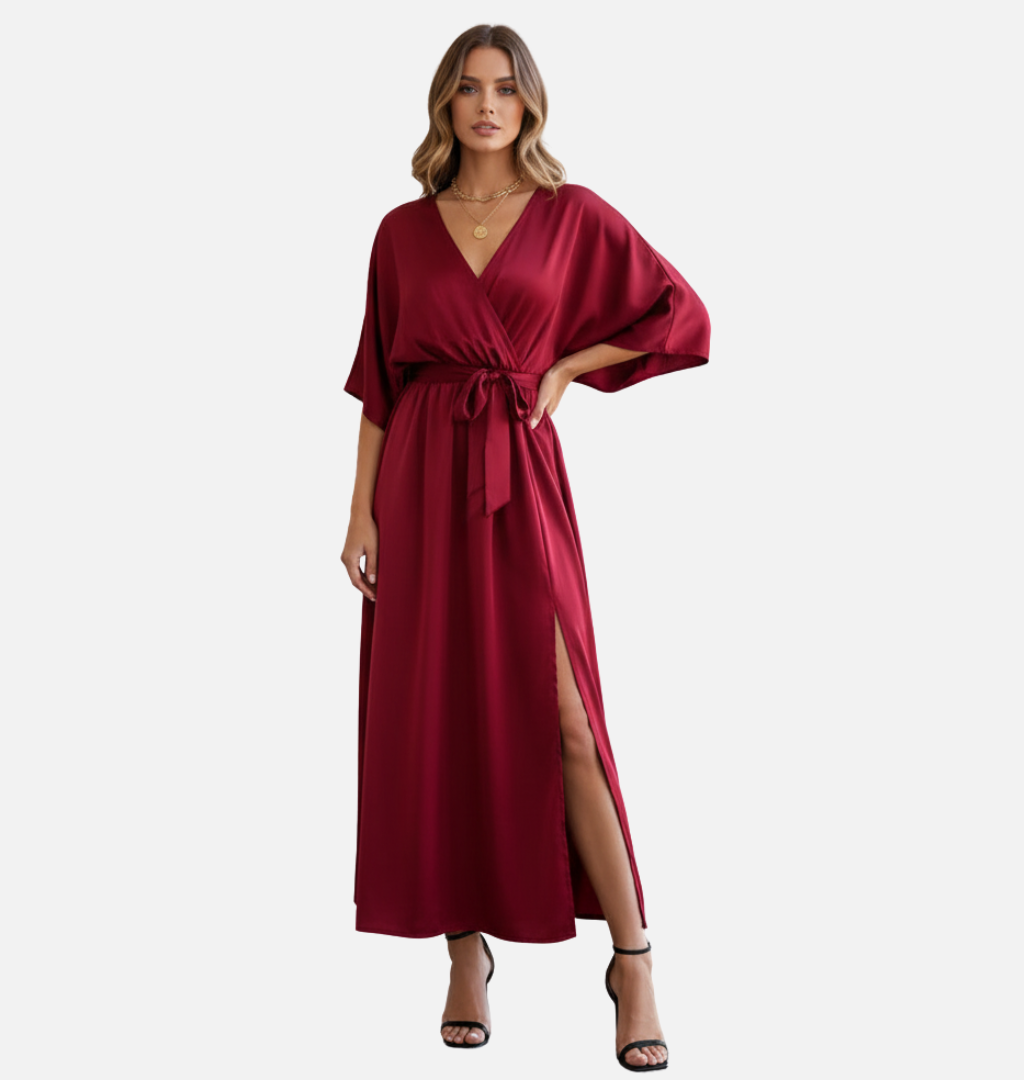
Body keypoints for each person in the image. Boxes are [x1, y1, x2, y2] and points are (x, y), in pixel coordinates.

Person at [340, 23, 710, 1073]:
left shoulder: (571, 214)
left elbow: (680, 315)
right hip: (417, 482)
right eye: (469, 89)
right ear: (445, 105)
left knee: (567, 720)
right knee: (440, 719)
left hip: (518, 477)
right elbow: (379, 384)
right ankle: (466, 957)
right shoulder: (400, 232)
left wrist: (567, 366)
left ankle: (633, 961)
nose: (488, 105)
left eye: (505, 88)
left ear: (530, 104)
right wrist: (360, 513)